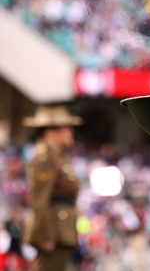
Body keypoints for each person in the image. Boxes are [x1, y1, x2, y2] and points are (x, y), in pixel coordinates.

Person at [22, 105, 82, 271]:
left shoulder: (57, 155)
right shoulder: (45, 158)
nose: (71, 132)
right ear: (50, 131)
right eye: (65, 128)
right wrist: (46, 236)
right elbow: (39, 200)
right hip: (53, 233)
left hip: (60, 230)